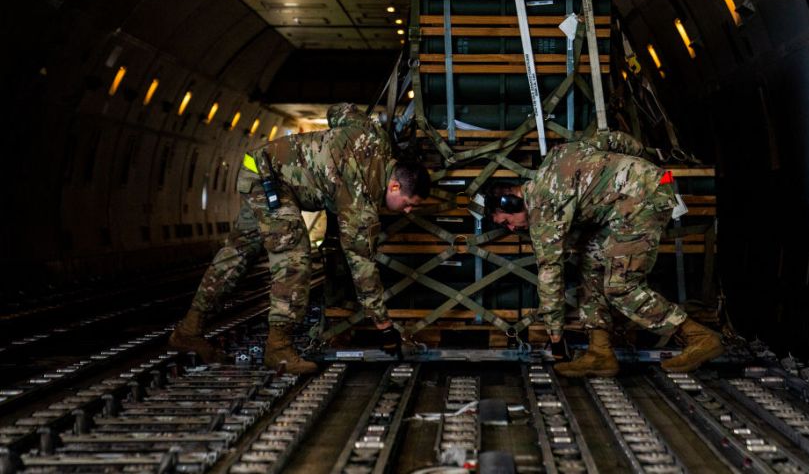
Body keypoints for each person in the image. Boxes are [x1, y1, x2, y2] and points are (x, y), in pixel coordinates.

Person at [169, 103, 431, 374]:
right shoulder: (359, 196)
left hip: (259, 164)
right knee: (294, 259)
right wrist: (383, 325)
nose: (408, 211)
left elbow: (339, 111)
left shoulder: (374, 137)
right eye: (409, 203)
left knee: (238, 252)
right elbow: (361, 264)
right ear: (395, 185)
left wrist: (329, 150)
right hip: (272, 184)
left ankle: (189, 329)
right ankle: (279, 349)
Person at [485, 131, 723, 377]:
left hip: (639, 203)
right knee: (591, 265)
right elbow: (615, 139)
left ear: (511, 202)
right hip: (644, 191)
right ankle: (600, 352)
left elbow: (550, 272)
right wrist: (641, 168)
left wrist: (554, 332)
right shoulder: (557, 157)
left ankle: (697, 336)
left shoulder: (542, 209)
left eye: (507, 222)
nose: (512, 229)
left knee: (620, 286)